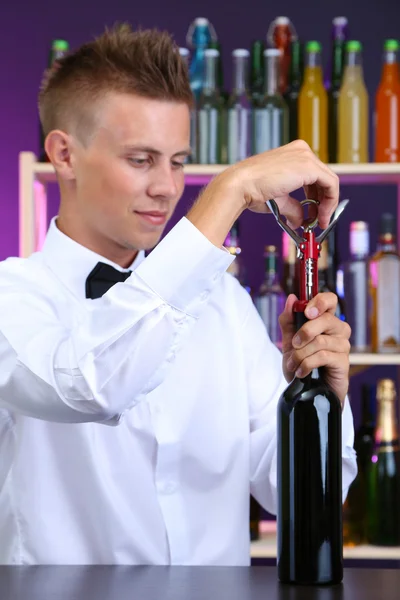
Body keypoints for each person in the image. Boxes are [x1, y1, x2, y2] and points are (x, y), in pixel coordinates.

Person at [0, 24, 357, 566]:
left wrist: (322, 404)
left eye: (179, 160)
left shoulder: (225, 306)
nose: (167, 187)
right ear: (64, 155)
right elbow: (90, 385)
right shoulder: (12, 297)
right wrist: (227, 192)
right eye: (141, 160)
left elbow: (297, 496)